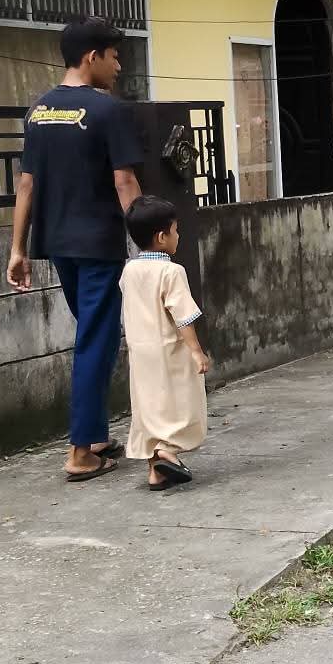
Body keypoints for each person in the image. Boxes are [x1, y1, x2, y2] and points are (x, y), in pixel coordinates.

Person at [7, 17, 142, 480]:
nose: (118, 64)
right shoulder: (105, 110)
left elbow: (27, 184)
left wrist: (16, 250)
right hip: (98, 244)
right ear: (92, 57)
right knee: (94, 341)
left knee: (95, 337)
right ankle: (81, 452)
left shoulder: (40, 111)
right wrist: (152, 247)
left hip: (57, 244)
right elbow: (124, 180)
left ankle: (97, 436)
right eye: (114, 55)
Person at [120, 195, 210, 491]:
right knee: (178, 403)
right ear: (162, 237)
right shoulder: (172, 272)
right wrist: (196, 351)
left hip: (140, 351)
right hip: (170, 349)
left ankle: (156, 472)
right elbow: (183, 316)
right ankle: (167, 452)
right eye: (175, 230)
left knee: (149, 406)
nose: (178, 235)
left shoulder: (129, 271)